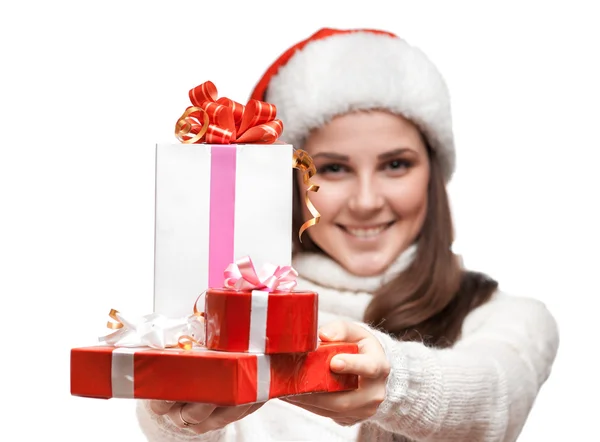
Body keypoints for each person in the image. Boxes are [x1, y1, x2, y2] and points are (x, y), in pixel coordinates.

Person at [136, 27, 559, 441]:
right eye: (335, 168)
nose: (366, 201)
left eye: (396, 165)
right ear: (293, 182)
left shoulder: (510, 318)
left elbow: (495, 393)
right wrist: (176, 421)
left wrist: (397, 384)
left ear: (433, 173)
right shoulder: (233, 319)